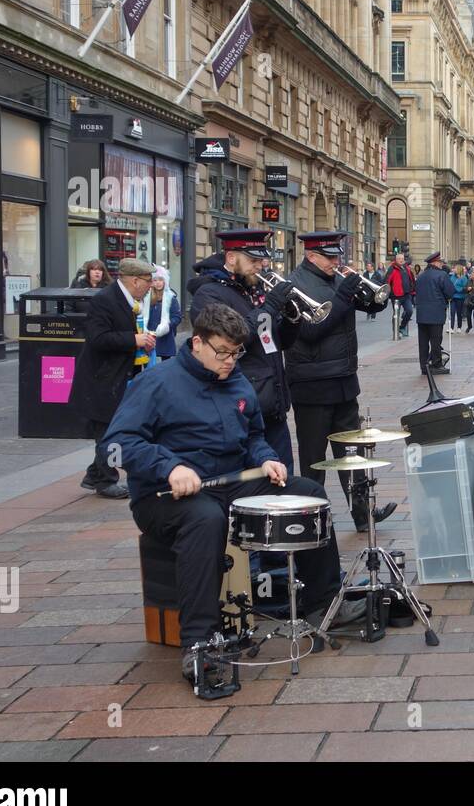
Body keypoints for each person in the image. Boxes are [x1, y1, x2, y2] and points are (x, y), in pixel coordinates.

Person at [106, 302, 359, 683]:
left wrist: (267, 459)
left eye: (235, 352)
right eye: (221, 352)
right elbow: (116, 443)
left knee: (309, 494)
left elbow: (253, 435)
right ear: (197, 343)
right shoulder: (156, 383)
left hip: (232, 480)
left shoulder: (236, 379)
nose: (229, 361)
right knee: (205, 520)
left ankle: (322, 603)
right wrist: (169, 467)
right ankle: (199, 642)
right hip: (164, 496)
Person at [285, 231, 396, 533]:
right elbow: (309, 332)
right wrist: (344, 295)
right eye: (330, 257)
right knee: (314, 459)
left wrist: (375, 300)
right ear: (311, 255)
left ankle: (364, 514)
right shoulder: (294, 285)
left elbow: (363, 306)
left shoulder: (336, 280)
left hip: (344, 381)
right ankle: (310, 518)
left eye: (337, 256)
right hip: (312, 386)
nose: (337, 262)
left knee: (352, 455)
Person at [186, 228, 300, 470]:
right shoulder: (209, 293)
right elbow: (229, 339)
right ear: (231, 258)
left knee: (284, 480)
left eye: (261, 260)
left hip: (273, 404)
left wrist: (292, 319)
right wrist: (269, 308)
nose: (260, 266)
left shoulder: (253, 288)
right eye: (253, 260)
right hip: (241, 408)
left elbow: (276, 342)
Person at [73, 258, 155, 499]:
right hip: (103, 379)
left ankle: (94, 474)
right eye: (148, 281)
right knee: (108, 430)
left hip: (122, 376)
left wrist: (142, 340)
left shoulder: (132, 301)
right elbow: (98, 339)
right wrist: (134, 340)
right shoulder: (104, 300)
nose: (151, 285)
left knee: (112, 428)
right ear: (135, 280)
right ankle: (106, 481)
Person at [414, 251, 455, 374]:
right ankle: (436, 364)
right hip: (436, 313)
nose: (442, 264)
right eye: (441, 262)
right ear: (435, 263)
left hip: (421, 314)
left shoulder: (421, 275)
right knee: (436, 340)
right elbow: (450, 292)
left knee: (423, 341)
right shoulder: (441, 275)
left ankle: (424, 366)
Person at [148, 265, 181, 363]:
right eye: (155, 280)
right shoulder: (147, 298)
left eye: (160, 280)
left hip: (165, 337)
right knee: (150, 365)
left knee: (164, 364)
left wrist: (166, 326)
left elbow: (177, 317)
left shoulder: (171, 298)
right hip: (150, 336)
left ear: (165, 281)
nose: (158, 283)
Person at [384, 253, 415, 337]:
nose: (401, 260)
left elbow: (411, 279)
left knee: (409, 311)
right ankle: (396, 332)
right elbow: (386, 282)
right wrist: (389, 294)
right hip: (396, 296)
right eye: (399, 259)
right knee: (396, 314)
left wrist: (412, 290)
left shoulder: (406, 268)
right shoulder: (392, 269)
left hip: (406, 295)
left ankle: (402, 327)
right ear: (396, 260)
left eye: (402, 258)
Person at [450, 263, 468, 330]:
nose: (454, 269)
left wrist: (457, 289)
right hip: (453, 297)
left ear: (459, 269)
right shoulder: (452, 277)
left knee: (459, 313)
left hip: (460, 297)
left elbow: (465, 288)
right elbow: (450, 285)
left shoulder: (464, 278)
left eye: (455, 268)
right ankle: (451, 327)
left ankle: (459, 327)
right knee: (452, 312)